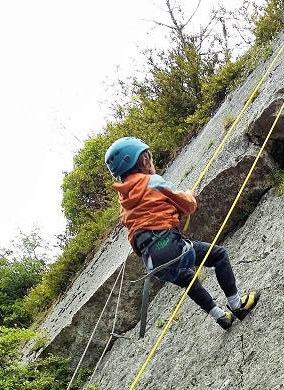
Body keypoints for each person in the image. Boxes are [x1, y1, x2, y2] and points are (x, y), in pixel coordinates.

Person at [105, 136, 260, 330]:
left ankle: (221, 317)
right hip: (168, 247)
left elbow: (137, 231)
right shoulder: (152, 182)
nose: (152, 164)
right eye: (150, 159)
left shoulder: (124, 203)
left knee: (187, 278)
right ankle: (237, 306)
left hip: (151, 262)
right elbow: (188, 206)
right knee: (219, 255)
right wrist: (190, 195)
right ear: (144, 160)